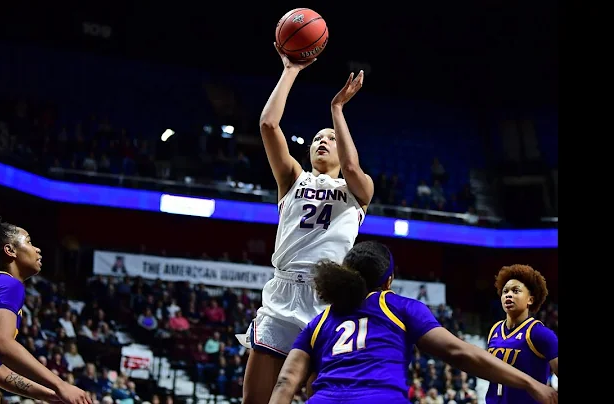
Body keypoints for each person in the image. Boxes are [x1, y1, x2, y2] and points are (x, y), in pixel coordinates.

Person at [238, 42, 375, 404]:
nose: (322, 142)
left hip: (326, 298)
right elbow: (268, 124)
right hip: (282, 294)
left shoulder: (357, 189)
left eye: (329, 138)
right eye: (317, 138)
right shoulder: (293, 179)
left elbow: (350, 166)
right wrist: (291, 70)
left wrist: (337, 110)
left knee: (322, 399)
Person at [268, 241, 558, 404]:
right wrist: (531, 384)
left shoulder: (319, 322)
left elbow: (285, 381)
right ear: (389, 280)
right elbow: (460, 353)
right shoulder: (399, 306)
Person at [0, 213, 92, 404]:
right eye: (29, 242)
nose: (38, 249)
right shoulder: (7, 284)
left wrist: (50, 394)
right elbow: (2, 344)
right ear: (10, 251)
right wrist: (61, 385)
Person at [485, 264, 559, 403]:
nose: (508, 295)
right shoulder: (495, 330)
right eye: (505, 291)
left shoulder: (540, 333)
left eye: (516, 291)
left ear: (530, 299)